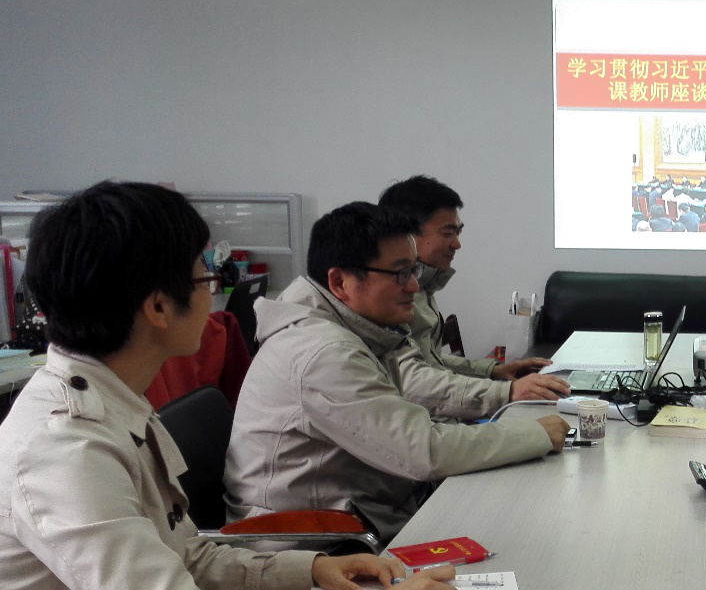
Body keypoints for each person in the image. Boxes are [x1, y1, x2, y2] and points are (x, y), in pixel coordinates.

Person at [0, 182, 461, 590]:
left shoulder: (111, 408)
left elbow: (188, 558)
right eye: (204, 274)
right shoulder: (62, 452)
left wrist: (311, 570)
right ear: (158, 305)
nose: (215, 290)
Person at [224, 201, 567, 546]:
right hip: (311, 544)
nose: (414, 286)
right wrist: (535, 434)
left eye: (414, 271)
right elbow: (424, 451)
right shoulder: (324, 354)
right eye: (401, 273)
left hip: (362, 514)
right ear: (340, 282)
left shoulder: (364, 328)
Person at [378, 175, 569, 421]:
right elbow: (411, 380)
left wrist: (494, 371)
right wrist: (506, 392)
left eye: (458, 233)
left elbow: (430, 363)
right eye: (448, 233)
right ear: (407, 235)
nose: (457, 244)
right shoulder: (390, 298)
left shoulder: (423, 288)